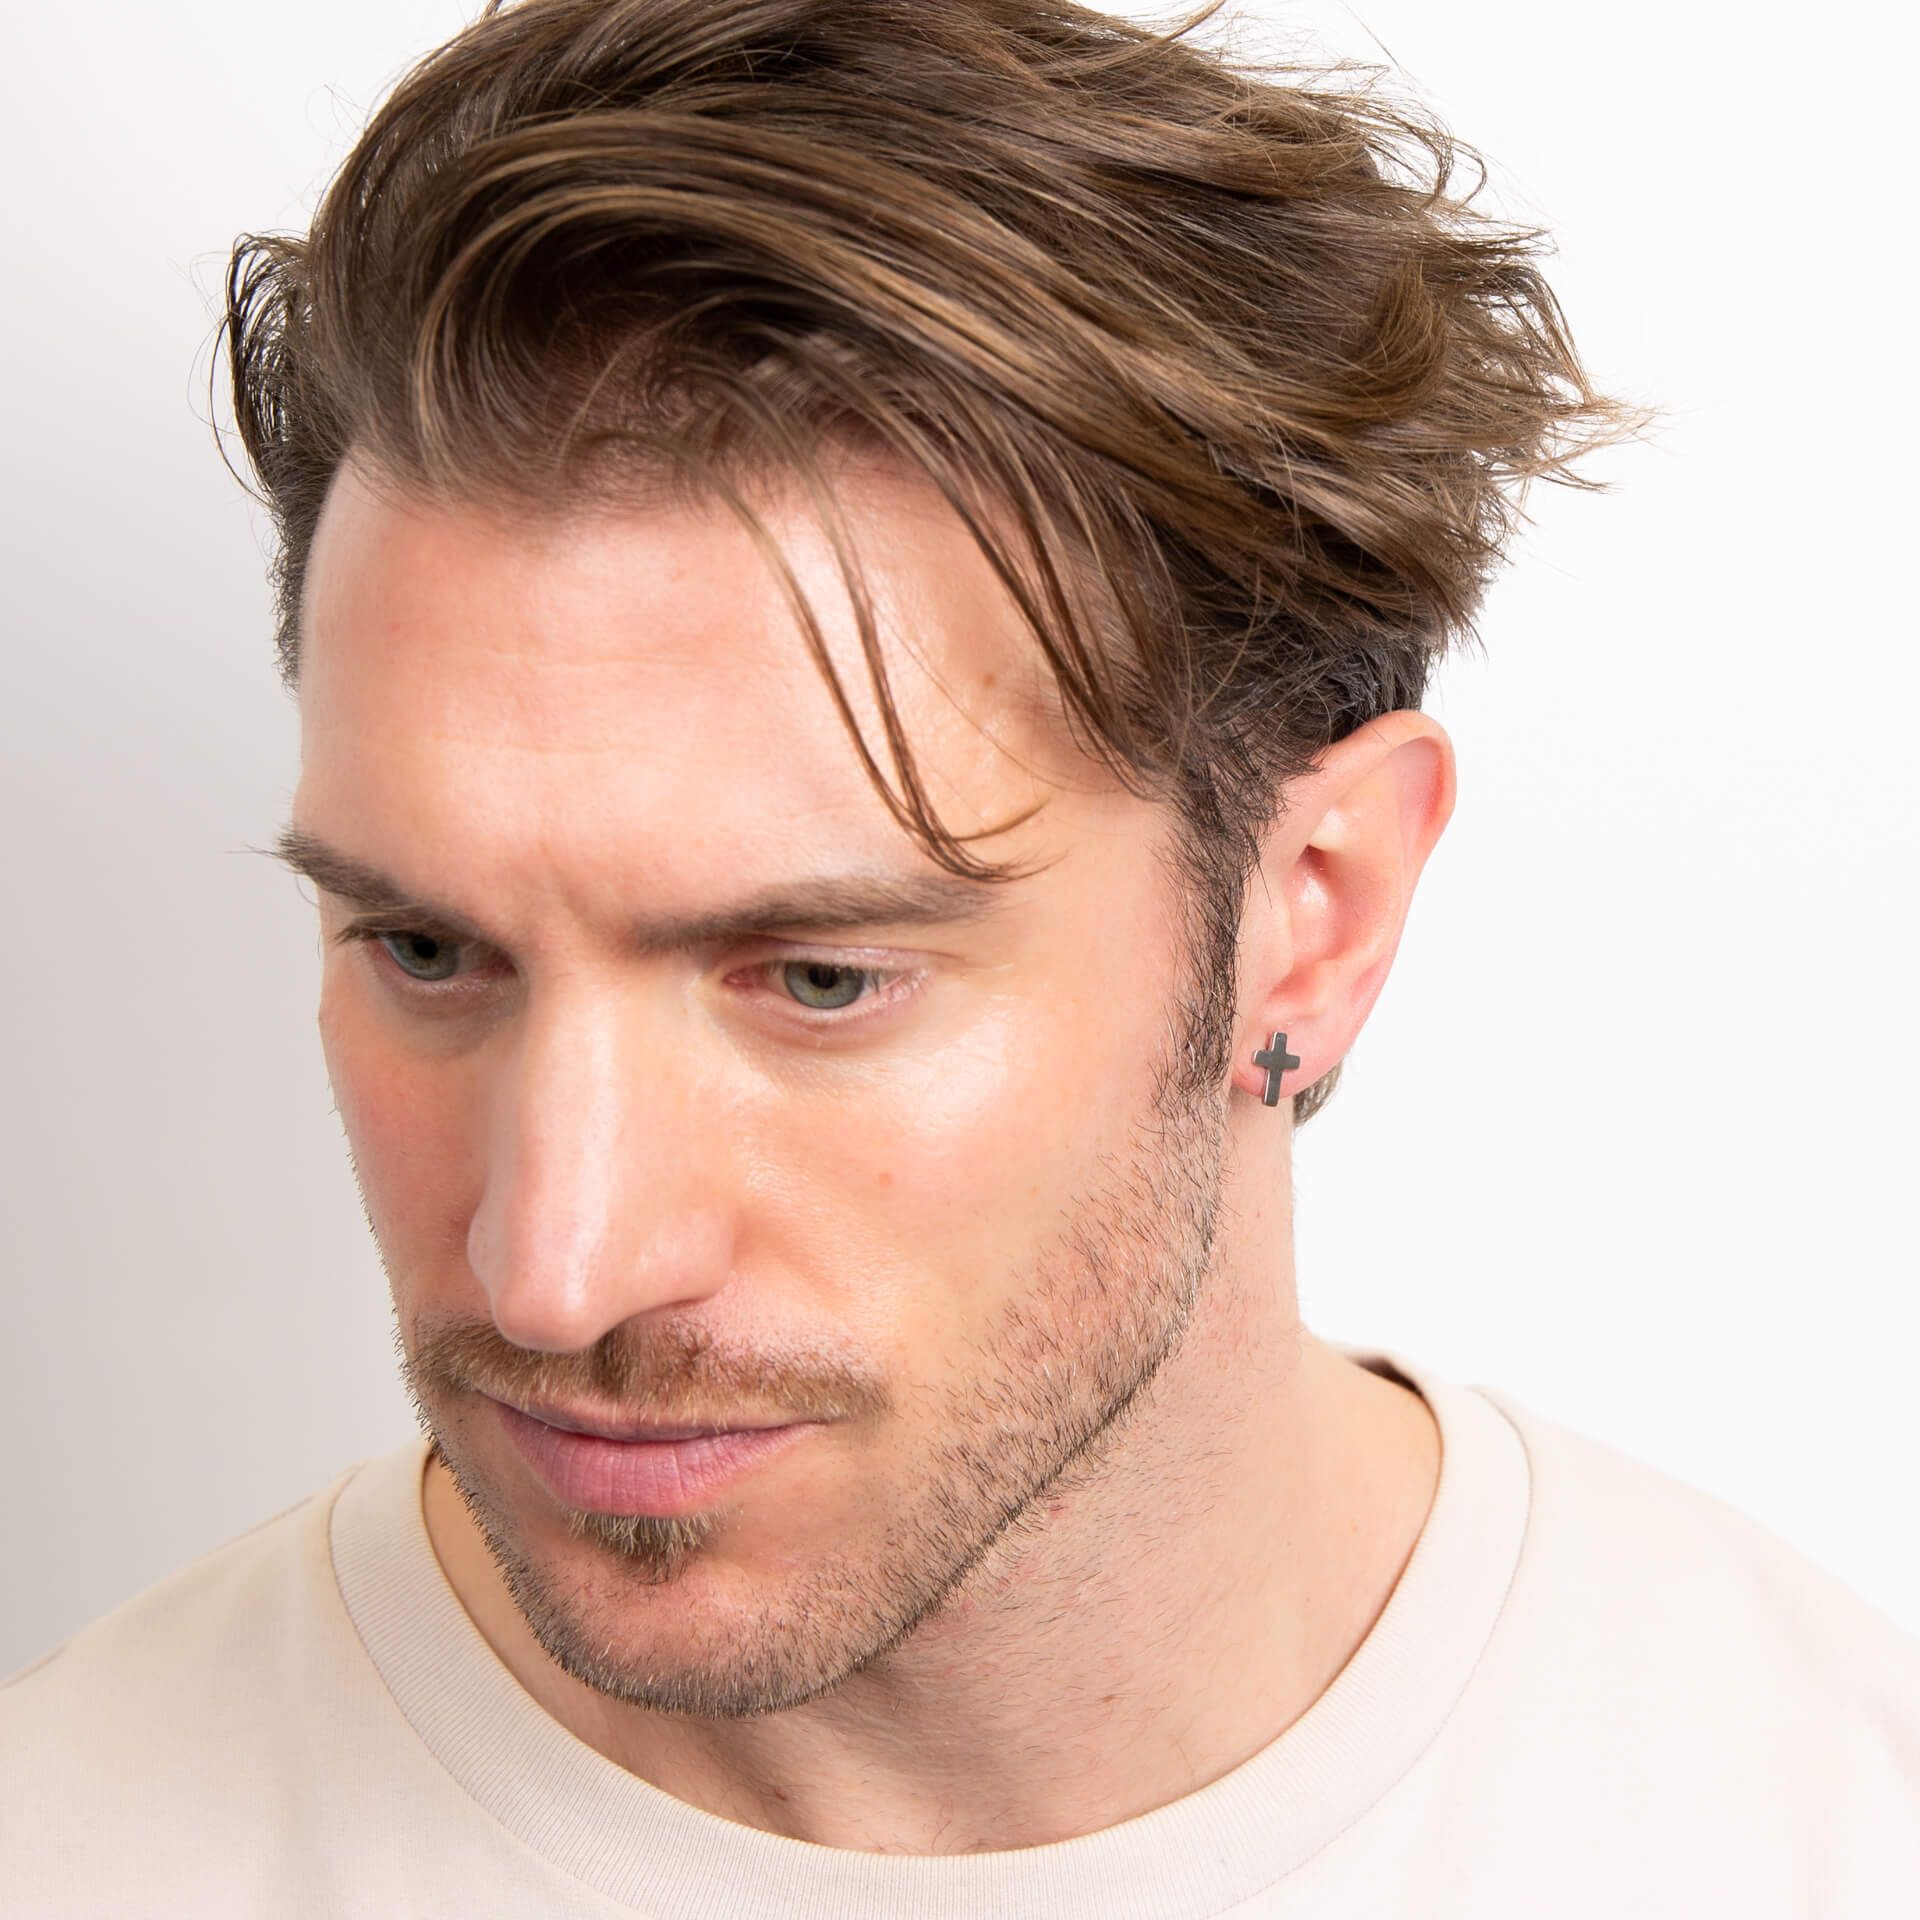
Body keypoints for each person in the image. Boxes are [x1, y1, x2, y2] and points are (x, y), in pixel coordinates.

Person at [4, 0, 1916, 1911]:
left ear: (1314, 914)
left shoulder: (1821, 1825)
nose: (555, 1272)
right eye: (427, 948)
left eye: (820, 979)